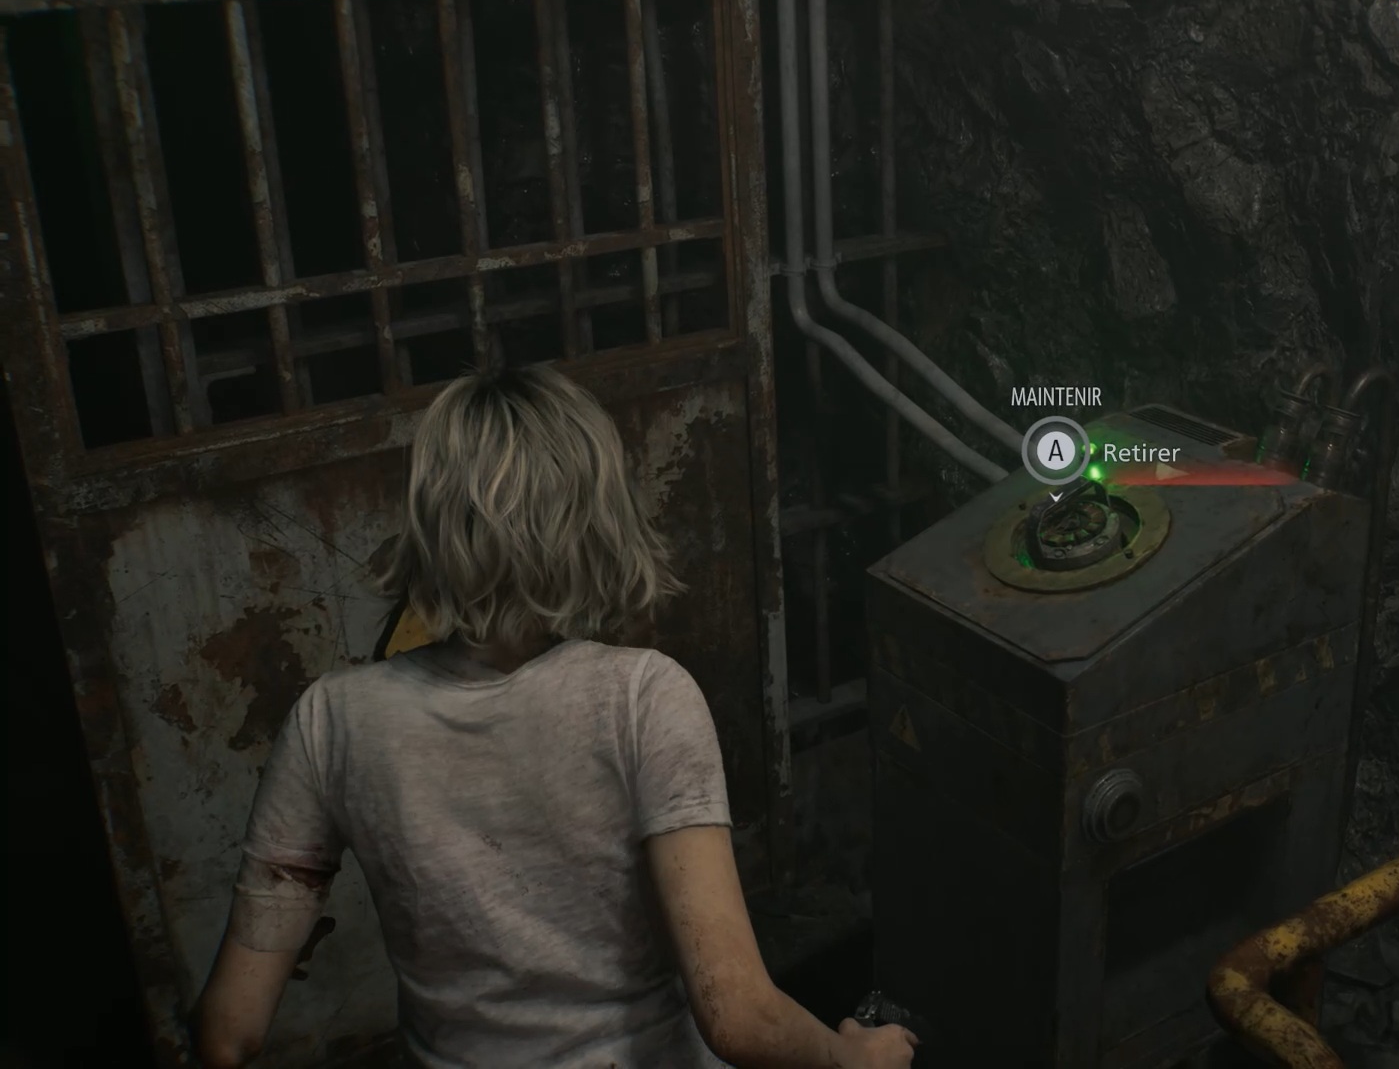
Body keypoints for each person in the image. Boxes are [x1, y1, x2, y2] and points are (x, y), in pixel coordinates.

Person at [191, 365, 916, 1069]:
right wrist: (849, 1057)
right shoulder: (641, 695)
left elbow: (228, 1036)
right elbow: (738, 1019)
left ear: (431, 515)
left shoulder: (329, 719)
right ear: (596, 515)